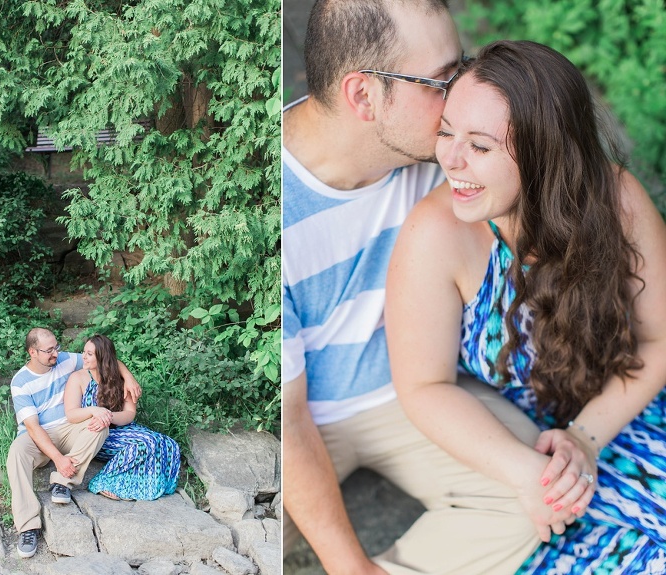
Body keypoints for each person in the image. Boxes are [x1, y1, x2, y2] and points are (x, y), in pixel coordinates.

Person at [282, 2, 576, 574]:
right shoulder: (276, 212)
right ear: (363, 95)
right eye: (441, 80)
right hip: (303, 421)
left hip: (416, 391)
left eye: (461, 66)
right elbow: (289, 422)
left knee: (542, 498)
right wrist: (348, 564)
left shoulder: (446, 148)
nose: (462, 93)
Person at [385, 40, 666, 572]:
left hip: (620, 409)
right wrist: (530, 471)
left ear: (544, 153)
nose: (451, 158)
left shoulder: (619, 202)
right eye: (447, 132)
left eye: (481, 146)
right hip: (514, 441)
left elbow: (659, 339)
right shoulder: (436, 233)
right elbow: (424, 387)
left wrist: (584, 438)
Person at [7, 327, 142, 559]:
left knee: (100, 423)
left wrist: (128, 377)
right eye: (49, 350)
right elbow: (33, 427)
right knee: (16, 453)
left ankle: (62, 483)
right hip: (38, 435)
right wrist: (59, 459)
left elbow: (107, 359)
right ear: (32, 352)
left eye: (56, 347)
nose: (55, 353)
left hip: (70, 428)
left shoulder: (64, 360)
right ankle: (28, 526)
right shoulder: (20, 382)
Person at [63, 334, 180, 501]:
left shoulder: (121, 379)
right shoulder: (78, 378)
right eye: (84, 352)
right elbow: (71, 415)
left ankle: (143, 484)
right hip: (96, 433)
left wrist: (108, 416)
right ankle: (105, 482)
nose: (84, 357)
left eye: (89, 354)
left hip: (121, 427)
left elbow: (129, 414)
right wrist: (94, 412)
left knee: (168, 443)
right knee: (144, 444)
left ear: (103, 357)